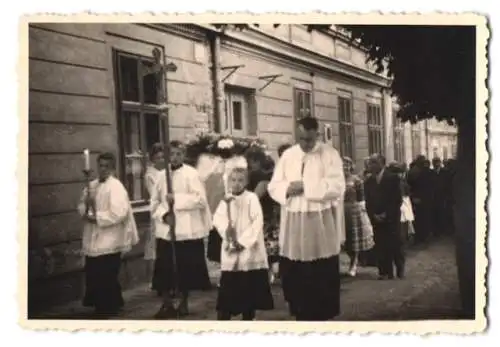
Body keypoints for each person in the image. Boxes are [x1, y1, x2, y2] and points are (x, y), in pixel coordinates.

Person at [268, 117, 346, 321]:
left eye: (310, 140)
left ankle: (322, 314)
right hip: (294, 219)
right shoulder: (288, 155)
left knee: (320, 270)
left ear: (317, 136)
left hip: (320, 222)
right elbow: (273, 186)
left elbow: (337, 187)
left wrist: (307, 187)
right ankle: (299, 309)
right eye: (302, 139)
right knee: (296, 270)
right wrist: (287, 189)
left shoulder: (329, 155)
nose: (305, 144)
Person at [151, 141, 212, 319]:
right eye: (172, 154)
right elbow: (154, 202)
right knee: (165, 268)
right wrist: (164, 215)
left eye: (179, 153)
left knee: (186, 269)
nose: (175, 157)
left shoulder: (191, 174)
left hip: (187, 228)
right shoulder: (162, 176)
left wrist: (176, 199)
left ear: (183, 155)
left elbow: (200, 200)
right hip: (167, 229)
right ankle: (166, 304)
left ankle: (184, 302)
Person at [77, 152, 139, 318]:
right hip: (93, 236)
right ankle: (103, 303)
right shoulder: (92, 185)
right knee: (94, 271)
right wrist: (85, 211)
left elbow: (119, 212)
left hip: (110, 237)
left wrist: (97, 217)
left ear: (112, 168)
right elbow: (82, 204)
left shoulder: (116, 186)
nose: (102, 169)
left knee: (106, 273)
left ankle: (108, 305)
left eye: (106, 166)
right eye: (100, 166)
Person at [212, 167, 274, 320]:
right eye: (233, 180)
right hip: (231, 247)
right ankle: (225, 316)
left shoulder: (251, 198)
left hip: (248, 249)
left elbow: (257, 222)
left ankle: (248, 315)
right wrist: (227, 232)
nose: (237, 183)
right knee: (229, 283)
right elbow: (218, 219)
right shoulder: (226, 200)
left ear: (246, 182)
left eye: (240, 180)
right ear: (229, 182)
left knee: (248, 285)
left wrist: (243, 242)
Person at [364, 154, 404, 280]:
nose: (371, 165)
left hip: (391, 217)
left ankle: (399, 267)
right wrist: (373, 215)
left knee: (394, 243)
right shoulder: (369, 181)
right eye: (370, 163)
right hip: (376, 218)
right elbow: (368, 202)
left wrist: (387, 213)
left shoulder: (393, 178)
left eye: (374, 162)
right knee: (380, 244)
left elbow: (397, 199)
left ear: (382, 163)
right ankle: (384, 271)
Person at [246, 147, 280, 283]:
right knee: (268, 243)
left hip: (263, 212)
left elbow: (256, 195)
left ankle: (268, 271)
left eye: (251, 161)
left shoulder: (258, 176)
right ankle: (270, 270)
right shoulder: (264, 175)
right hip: (267, 212)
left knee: (266, 243)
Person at [342, 157, 374, 277]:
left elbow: (361, 197)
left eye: (346, 165)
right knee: (343, 239)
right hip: (340, 211)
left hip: (353, 211)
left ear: (351, 167)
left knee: (353, 239)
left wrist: (362, 211)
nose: (344, 168)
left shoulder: (356, 180)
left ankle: (353, 263)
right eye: (342, 165)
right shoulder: (336, 180)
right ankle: (351, 259)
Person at [144, 143, 165, 295]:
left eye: (163, 157)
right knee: (156, 248)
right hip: (158, 213)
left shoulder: (166, 172)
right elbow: (155, 195)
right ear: (152, 159)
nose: (161, 160)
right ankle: (156, 281)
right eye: (157, 157)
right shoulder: (150, 174)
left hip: (170, 212)